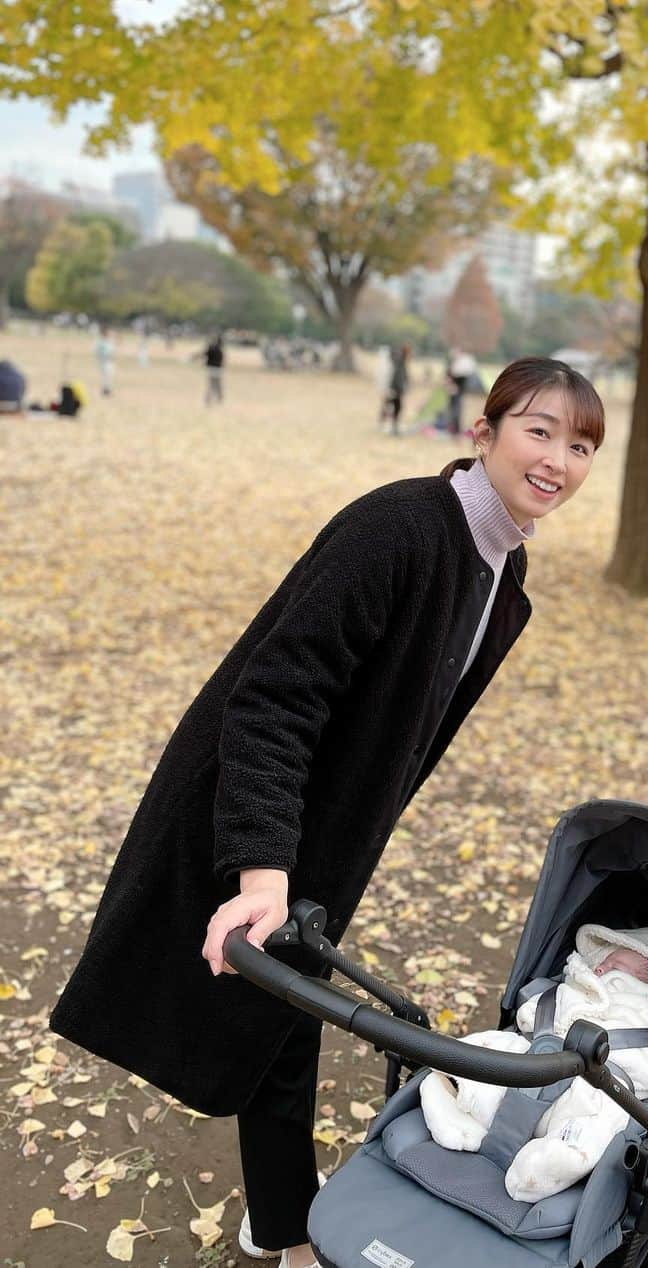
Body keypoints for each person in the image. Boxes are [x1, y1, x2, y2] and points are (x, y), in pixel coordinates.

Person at [48, 357, 605, 1268]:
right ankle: (291, 1231)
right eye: (538, 431)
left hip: (325, 828)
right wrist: (264, 865)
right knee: (267, 1005)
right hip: (250, 803)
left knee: (286, 1014)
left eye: (579, 445)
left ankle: (279, 1222)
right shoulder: (397, 529)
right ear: (484, 433)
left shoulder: (504, 581)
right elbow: (273, 697)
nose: (557, 459)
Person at [420, 924, 648, 1203]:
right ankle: (454, 1112)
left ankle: (549, 1165)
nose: (601, 968)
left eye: (615, 965)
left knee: (607, 1120)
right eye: (603, 960)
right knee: (486, 1048)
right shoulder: (573, 991)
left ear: (644, 986)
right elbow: (528, 1017)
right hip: (529, 1064)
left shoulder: (647, 1024)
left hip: (592, 1090)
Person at [382, 343, 410, 436]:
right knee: (392, 407)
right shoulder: (399, 362)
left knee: (393, 407)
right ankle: (388, 425)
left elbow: (404, 377)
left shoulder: (401, 361)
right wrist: (392, 389)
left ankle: (392, 426)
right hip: (395, 390)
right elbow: (396, 377)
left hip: (396, 389)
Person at [205, 333, 225, 405]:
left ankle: (209, 399)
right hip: (218, 370)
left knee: (211, 385)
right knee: (217, 385)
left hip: (211, 369)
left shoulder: (211, 348)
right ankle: (219, 399)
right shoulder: (220, 350)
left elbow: (205, 354)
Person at [94, 325, 115, 396]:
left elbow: (112, 351)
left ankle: (107, 390)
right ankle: (105, 390)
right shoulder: (100, 342)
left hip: (108, 361)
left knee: (108, 376)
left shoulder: (108, 342)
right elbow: (97, 352)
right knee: (105, 376)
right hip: (104, 362)